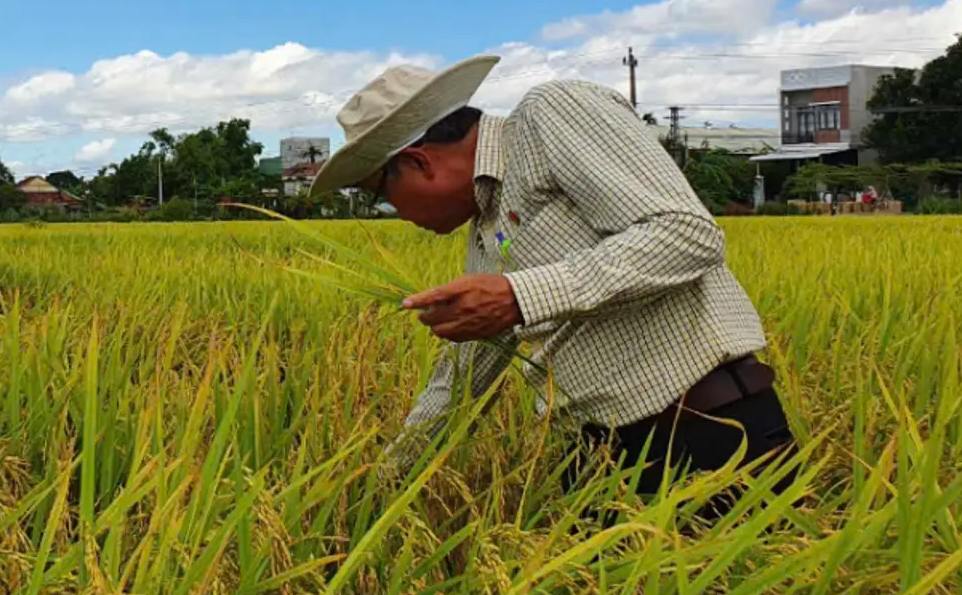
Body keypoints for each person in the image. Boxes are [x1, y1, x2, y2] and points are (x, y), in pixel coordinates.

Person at [309, 56, 797, 517]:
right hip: (599, 464)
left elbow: (684, 233)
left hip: (709, 435)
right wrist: (388, 475)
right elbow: (464, 373)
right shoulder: (486, 228)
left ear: (419, 162)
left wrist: (519, 296)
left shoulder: (551, 116)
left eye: (382, 195)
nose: (396, 213)